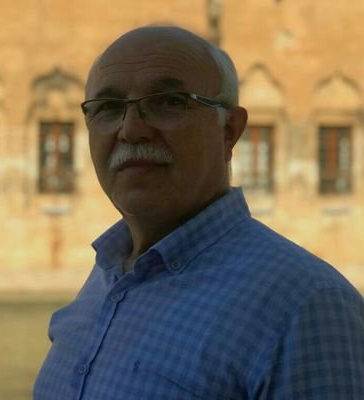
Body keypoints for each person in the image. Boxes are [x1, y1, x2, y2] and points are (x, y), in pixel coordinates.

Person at [33, 25, 364, 399]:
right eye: (108, 107)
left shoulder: (305, 305)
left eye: (169, 102)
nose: (131, 130)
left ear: (230, 131)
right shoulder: (108, 272)